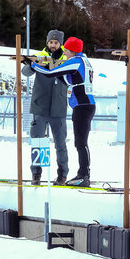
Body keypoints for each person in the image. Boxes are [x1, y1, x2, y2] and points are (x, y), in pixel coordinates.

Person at [28, 37, 95, 187]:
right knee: (81, 142)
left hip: (82, 105)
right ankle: (83, 174)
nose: (64, 53)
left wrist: (33, 64)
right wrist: (54, 72)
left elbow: (50, 73)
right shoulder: (84, 61)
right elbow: (66, 79)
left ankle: (84, 175)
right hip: (85, 104)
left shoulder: (76, 61)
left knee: (81, 143)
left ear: (72, 51)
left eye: (67, 51)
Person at [22, 30, 70, 185]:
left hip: (58, 107)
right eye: (51, 42)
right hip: (40, 106)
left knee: (60, 144)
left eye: (56, 42)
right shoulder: (40, 55)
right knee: (38, 142)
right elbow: (25, 72)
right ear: (47, 42)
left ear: (60, 43)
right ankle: (36, 173)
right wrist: (32, 64)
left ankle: (62, 174)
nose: (53, 45)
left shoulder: (66, 58)